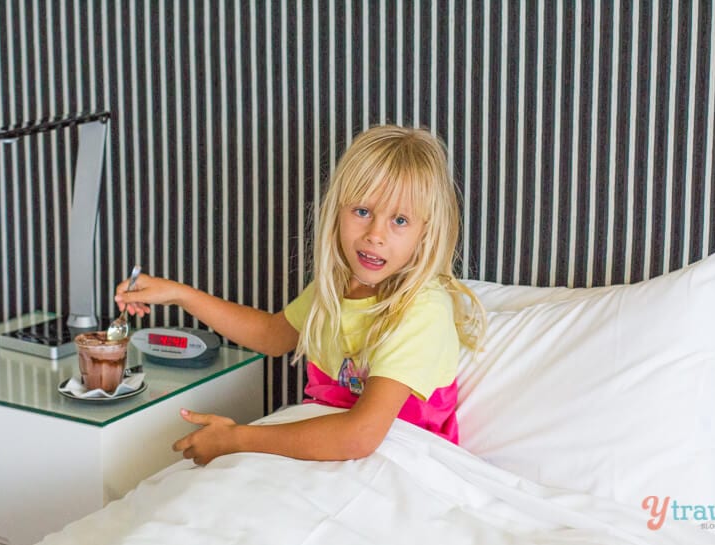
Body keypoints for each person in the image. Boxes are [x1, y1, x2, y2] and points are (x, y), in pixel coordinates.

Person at [114, 125, 485, 465]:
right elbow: (272, 336)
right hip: (321, 448)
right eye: (362, 211)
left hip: (400, 463)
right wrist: (181, 295)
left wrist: (236, 438)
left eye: (399, 220)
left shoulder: (421, 309)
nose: (376, 234)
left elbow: (360, 437)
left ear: (426, 230)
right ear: (337, 211)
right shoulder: (335, 290)